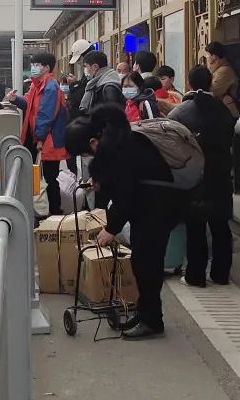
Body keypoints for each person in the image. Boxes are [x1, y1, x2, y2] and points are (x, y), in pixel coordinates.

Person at [66, 105, 187, 339]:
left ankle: (152, 320)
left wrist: (111, 229)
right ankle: (145, 313)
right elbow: (122, 184)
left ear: (93, 142)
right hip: (152, 206)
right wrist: (101, 183)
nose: (88, 158)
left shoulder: (121, 150)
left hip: (158, 208)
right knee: (142, 262)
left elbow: (126, 195)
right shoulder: (118, 142)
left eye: (85, 154)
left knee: (147, 264)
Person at [169, 65, 236, 287]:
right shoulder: (224, 110)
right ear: (210, 83)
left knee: (196, 228)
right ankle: (221, 274)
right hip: (221, 175)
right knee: (221, 227)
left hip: (194, 176)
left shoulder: (182, 111)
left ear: (189, 83)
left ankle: (195, 276)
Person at [9, 52, 70, 215]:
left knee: (50, 179)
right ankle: (48, 211)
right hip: (41, 137)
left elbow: (46, 115)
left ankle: (54, 213)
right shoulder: (37, 85)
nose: (33, 68)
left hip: (49, 139)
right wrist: (16, 99)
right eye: (33, 65)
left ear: (47, 68)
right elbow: (29, 104)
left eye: (37, 65)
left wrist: (40, 138)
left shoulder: (50, 87)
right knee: (46, 177)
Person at [205, 41, 240, 119]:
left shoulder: (225, 71)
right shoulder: (218, 70)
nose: (206, 58)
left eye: (207, 55)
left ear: (214, 57)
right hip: (220, 111)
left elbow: (212, 92)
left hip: (226, 114)